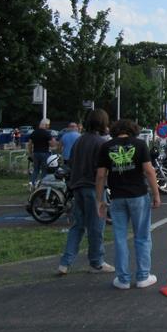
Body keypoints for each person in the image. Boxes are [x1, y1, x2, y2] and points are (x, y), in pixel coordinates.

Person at [95, 119, 161, 290]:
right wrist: (156, 194)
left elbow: (101, 175)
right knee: (142, 236)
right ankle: (143, 276)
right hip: (138, 195)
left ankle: (123, 279)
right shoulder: (140, 145)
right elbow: (149, 171)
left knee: (120, 238)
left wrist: (99, 200)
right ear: (133, 130)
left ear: (115, 131)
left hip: (117, 197)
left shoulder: (106, 147)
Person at [58, 109, 115, 275]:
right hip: (94, 187)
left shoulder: (79, 141)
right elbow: (102, 170)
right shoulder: (101, 143)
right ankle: (96, 262)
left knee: (78, 225)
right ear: (103, 123)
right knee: (96, 226)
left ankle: (65, 262)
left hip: (78, 186)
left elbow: (71, 162)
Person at [27, 118, 55, 187]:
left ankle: (32, 183)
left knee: (35, 170)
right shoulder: (47, 133)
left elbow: (30, 144)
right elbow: (52, 144)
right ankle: (42, 185)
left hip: (35, 153)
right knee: (44, 170)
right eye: (48, 125)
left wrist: (30, 153)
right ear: (45, 125)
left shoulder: (34, 133)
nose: (48, 126)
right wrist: (53, 140)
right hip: (44, 153)